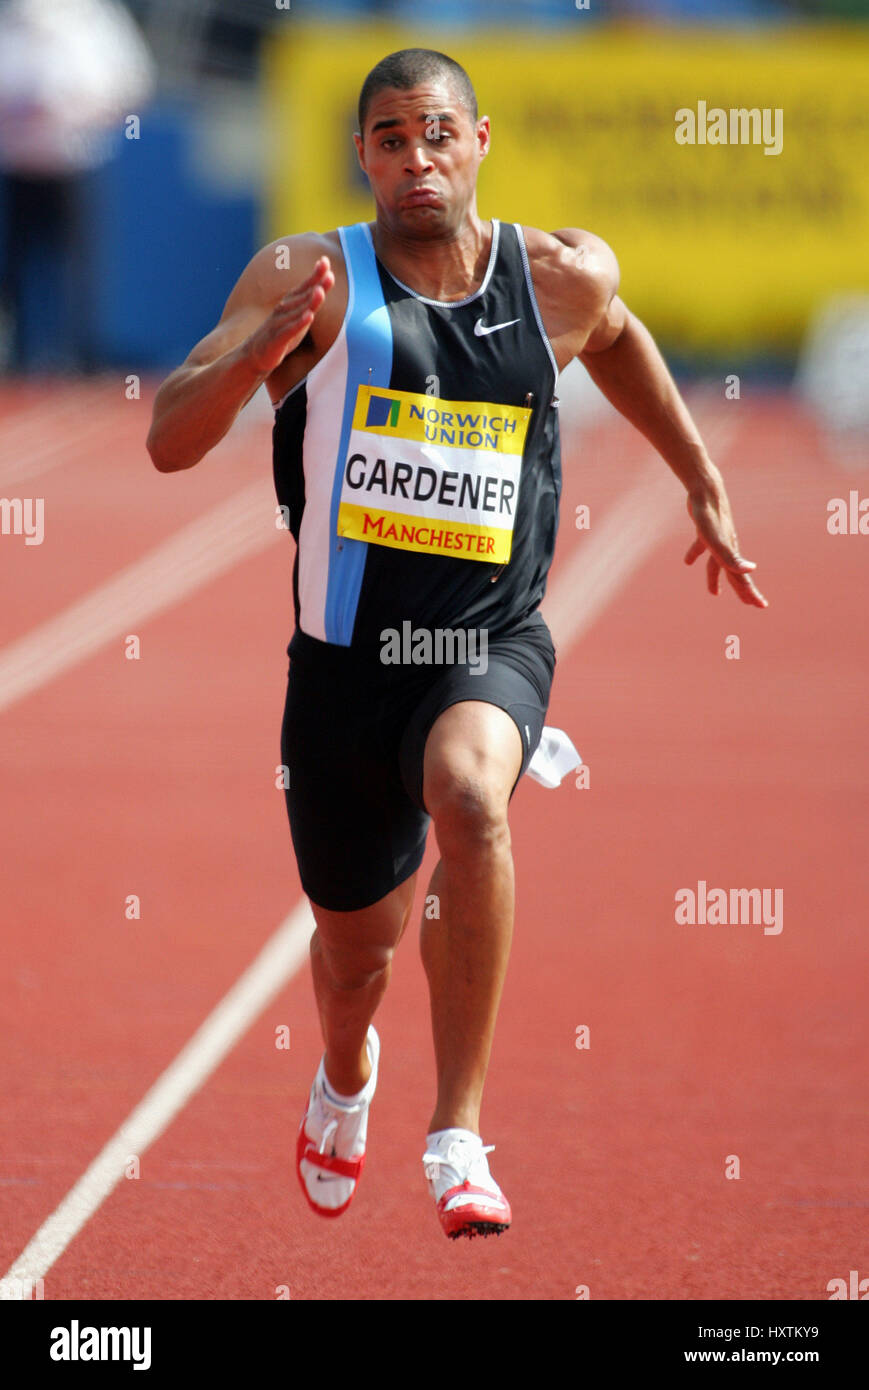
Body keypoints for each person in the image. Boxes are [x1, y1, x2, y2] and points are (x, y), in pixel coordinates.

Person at [147, 47, 767, 1242]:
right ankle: (344, 1076)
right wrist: (256, 358)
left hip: (487, 643)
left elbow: (616, 335)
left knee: (471, 796)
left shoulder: (557, 276)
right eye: (389, 139)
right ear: (361, 157)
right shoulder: (309, 277)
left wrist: (697, 476)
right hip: (340, 669)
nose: (416, 159)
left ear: (478, 141)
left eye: (436, 133)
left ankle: (457, 1133)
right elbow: (169, 439)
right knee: (355, 960)